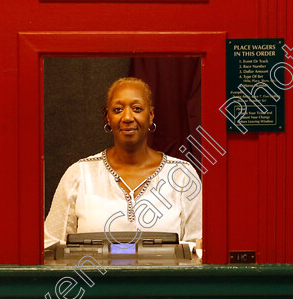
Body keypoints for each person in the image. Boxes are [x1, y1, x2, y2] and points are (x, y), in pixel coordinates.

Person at [44, 77, 202, 249]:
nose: (127, 117)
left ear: (150, 115)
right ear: (107, 117)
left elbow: (199, 249)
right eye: (118, 109)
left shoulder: (182, 175)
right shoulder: (79, 174)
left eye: (137, 109)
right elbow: (51, 246)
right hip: (96, 277)